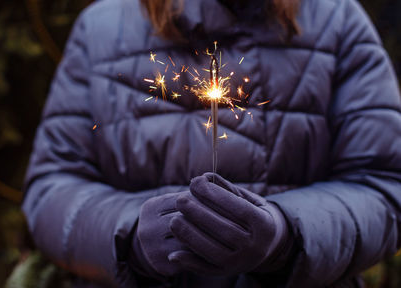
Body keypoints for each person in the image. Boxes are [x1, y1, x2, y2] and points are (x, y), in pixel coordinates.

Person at [22, 0, 401, 286]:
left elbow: (385, 185)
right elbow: (53, 187)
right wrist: (128, 235)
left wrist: (288, 235)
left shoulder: (337, 19)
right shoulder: (100, 27)